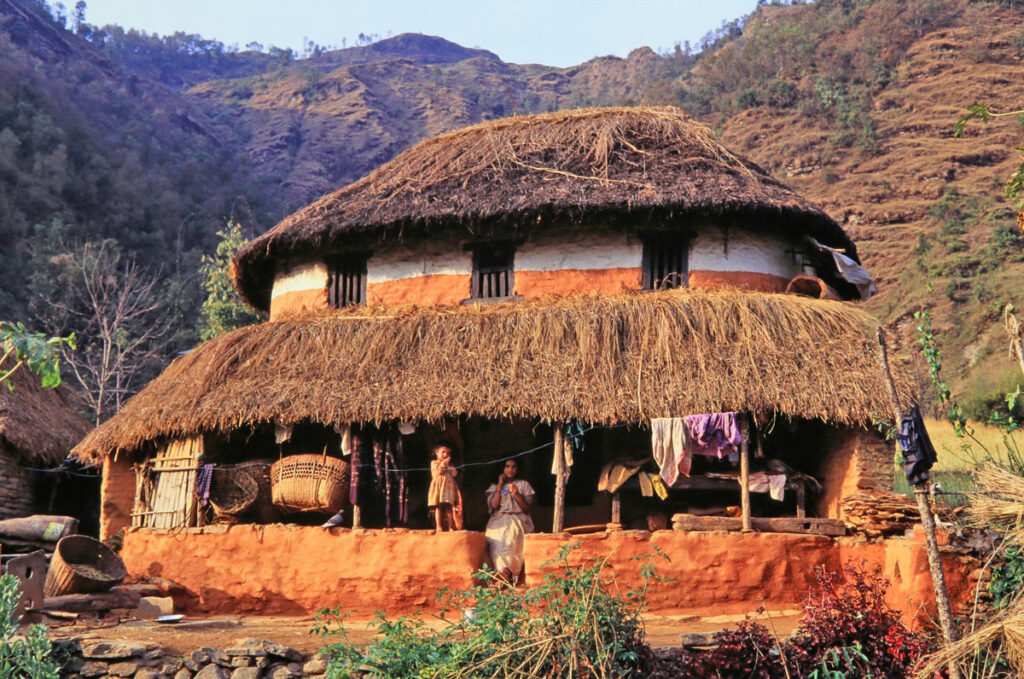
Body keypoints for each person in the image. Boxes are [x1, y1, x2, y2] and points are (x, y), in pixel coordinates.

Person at [485, 459, 535, 583]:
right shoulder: (495, 486)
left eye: (513, 466)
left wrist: (517, 494)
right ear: (502, 468)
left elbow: (527, 509)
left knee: (512, 537)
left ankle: (510, 574)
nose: (510, 469)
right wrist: (500, 485)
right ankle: (501, 572)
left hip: (518, 518)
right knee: (496, 538)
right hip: (499, 519)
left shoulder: (523, 484)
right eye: (507, 466)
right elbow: (494, 505)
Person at [427, 443, 460, 531]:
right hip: (439, 489)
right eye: (443, 452)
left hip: (448, 490)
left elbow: (455, 473)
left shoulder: (449, 465)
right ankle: (439, 526)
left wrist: (448, 466)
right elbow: (438, 472)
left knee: (449, 507)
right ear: (437, 452)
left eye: (448, 453)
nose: (446, 455)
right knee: (439, 507)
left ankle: (451, 526)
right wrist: (444, 463)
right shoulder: (434, 463)